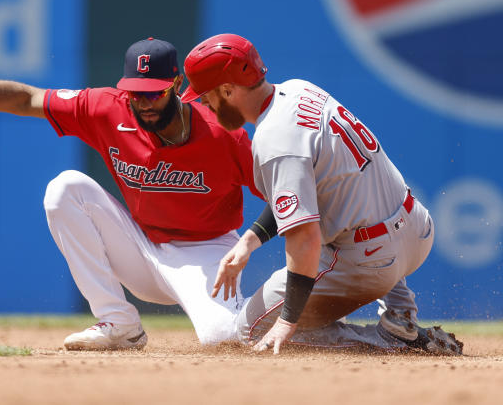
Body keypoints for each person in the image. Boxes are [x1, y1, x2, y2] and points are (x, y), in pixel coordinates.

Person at [0, 37, 264, 350]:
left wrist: (266, 244)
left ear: (176, 84)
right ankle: (119, 323)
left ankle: (304, 309)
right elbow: (28, 98)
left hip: (206, 255)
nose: (145, 103)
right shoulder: (107, 107)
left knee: (221, 338)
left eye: (155, 93)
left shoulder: (223, 134)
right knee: (65, 188)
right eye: (136, 93)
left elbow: (282, 197)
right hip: (141, 246)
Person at [180, 33, 463, 355]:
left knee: (250, 329)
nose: (203, 102)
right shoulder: (300, 89)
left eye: (206, 94)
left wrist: (288, 322)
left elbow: (305, 240)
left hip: (371, 260)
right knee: (355, 203)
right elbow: (308, 185)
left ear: (228, 89)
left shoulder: (275, 140)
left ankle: (390, 341)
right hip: (417, 229)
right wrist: (250, 241)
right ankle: (401, 316)